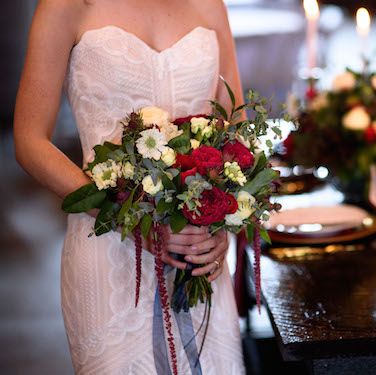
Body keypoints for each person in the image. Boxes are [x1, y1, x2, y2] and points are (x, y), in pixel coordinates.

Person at [13, 0, 245, 373]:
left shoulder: (210, 5)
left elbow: (233, 129)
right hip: (109, 250)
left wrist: (222, 226)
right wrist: (132, 221)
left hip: (196, 251)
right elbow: (29, 141)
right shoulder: (65, 6)